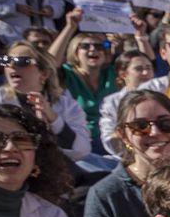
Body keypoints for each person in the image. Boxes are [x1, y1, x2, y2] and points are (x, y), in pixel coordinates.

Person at [0, 42, 91, 164]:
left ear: (44, 73)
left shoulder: (66, 104)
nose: (12, 65)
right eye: (6, 60)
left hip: (54, 168)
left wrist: (54, 119)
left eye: (22, 61)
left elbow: (82, 151)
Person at [45, 9, 119, 151]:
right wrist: (70, 27)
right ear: (75, 52)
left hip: (112, 138)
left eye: (99, 46)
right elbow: (48, 63)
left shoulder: (112, 73)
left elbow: (145, 67)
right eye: (85, 46)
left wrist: (139, 37)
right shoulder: (67, 74)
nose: (93, 49)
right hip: (79, 141)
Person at [97, 48, 159, 157]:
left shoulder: (164, 96)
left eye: (149, 68)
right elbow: (109, 140)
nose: (146, 73)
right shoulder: (111, 103)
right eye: (139, 69)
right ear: (123, 74)